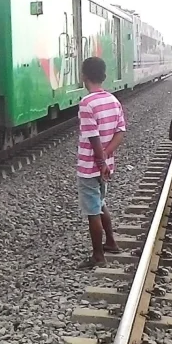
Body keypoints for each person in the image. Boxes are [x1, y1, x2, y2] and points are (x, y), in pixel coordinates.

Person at [76, 56, 126, 267]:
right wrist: (107, 157)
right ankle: (111, 242)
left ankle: (98, 255)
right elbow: (120, 132)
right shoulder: (113, 100)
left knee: (92, 210)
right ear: (104, 76)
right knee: (100, 202)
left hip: (90, 167)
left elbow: (93, 136)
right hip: (106, 165)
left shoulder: (86, 103)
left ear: (84, 76)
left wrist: (100, 160)